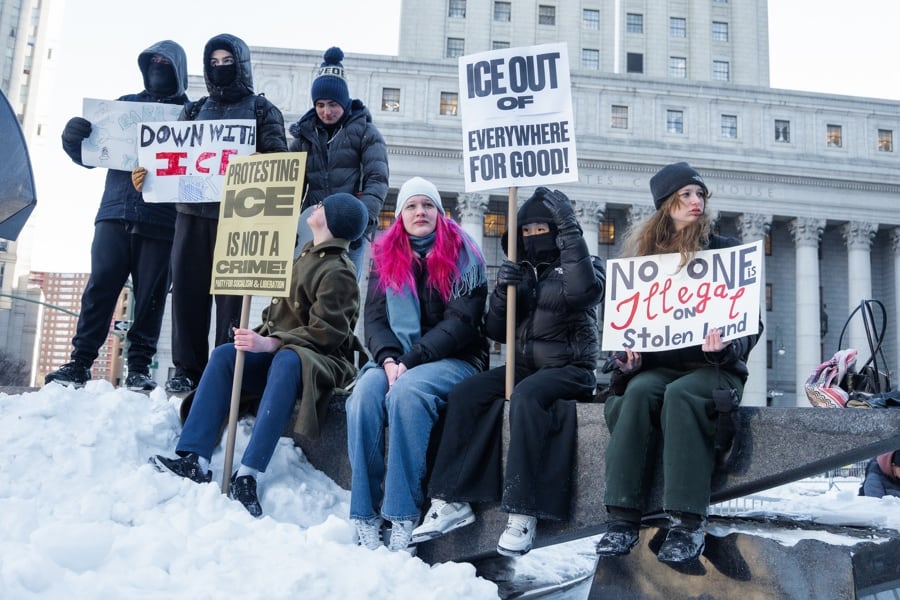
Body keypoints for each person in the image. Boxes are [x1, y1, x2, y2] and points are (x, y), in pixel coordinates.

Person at [413, 187, 606, 557]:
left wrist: (568, 227)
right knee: (466, 395)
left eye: (542, 228)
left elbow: (584, 293)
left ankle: (522, 510)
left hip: (571, 368)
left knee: (527, 397)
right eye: (528, 230)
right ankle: (453, 498)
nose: (535, 236)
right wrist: (503, 291)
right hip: (522, 367)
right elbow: (496, 331)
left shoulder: (587, 263)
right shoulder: (522, 269)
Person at [151, 193, 368, 517]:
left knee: (286, 359)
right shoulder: (306, 255)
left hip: (318, 361)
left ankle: (249, 473)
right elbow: (277, 316)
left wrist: (272, 343)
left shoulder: (340, 270)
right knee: (227, 355)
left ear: (334, 220)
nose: (316, 206)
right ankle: (195, 456)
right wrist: (256, 336)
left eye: (324, 206)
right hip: (286, 350)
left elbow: (328, 333)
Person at [594, 162, 761, 565]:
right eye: (686, 195)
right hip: (659, 368)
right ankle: (621, 519)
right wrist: (627, 359)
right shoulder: (646, 262)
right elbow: (629, 327)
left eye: (700, 194)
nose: (696, 202)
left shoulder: (726, 250)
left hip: (714, 370)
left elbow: (751, 323)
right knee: (636, 393)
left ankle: (687, 522)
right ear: (666, 205)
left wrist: (728, 347)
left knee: (682, 394)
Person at [134, 33, 289, 394]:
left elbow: (282, 164)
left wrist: (261, 163)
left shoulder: (262, 110)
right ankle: (186, 369)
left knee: (232, 301)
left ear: (241, 63)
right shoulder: (193, 109)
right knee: (187, 292)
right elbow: (169, 156)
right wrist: (147, 175)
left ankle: (224, 366)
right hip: (190, 214)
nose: (221, 68)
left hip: (239, 218)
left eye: (227, 61)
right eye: (214, 63)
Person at [345, 176, 489, 552]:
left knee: (406, 394)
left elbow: (460, 323)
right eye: (411, 205)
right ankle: (364, 515)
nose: (419, 212)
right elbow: (373, 321)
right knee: (363, 395)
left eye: (427, 205)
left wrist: (408, 362)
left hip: (456, 358)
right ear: (401, 214)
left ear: (439, 213)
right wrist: (389, 359)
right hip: (399, 359)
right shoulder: (385, 255)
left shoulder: (465, 255)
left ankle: (402, 516)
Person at [45, 40, 190, 391]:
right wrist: (73, 139)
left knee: (152, 296)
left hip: (162, 220)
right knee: (100, 287)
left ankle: (138, 368)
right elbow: (92, 153)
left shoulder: (190, 114)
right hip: (115, 211)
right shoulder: (123, 106)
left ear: (178, 69)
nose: (157, 65)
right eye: (152, 60)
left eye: (164, 61)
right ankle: (80, 363)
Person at [288, 46, 389, 278]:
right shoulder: (303, 137)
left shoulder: (366, 132)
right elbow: (289, 182)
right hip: (310, 228)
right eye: (320, 104)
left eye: (333, 104)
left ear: (344, 102)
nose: (326, 111)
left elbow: (377, 179)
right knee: (305, 290)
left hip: (348, 230)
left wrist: (359, 219)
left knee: (343, 290)